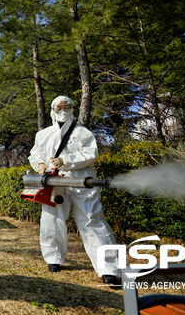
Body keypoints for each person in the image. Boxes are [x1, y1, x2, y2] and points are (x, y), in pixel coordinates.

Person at [28, 95, 119, 284]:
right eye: (59, 107)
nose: (63, 111)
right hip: (54, 182)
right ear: (52, 110)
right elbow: (35, 152)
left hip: (81, 181)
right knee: (52, 220)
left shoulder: (82, 133)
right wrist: (40, 164)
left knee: (92, 220)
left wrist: (65, 161)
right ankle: (53, 258)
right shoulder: (43, 134)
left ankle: (109, 267)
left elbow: (91, 154)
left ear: (73, 109)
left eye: (67, 107)